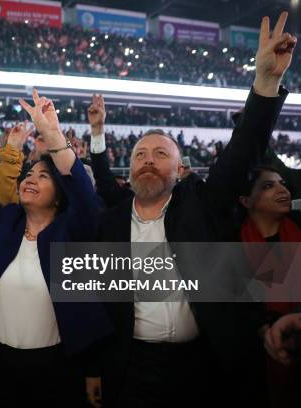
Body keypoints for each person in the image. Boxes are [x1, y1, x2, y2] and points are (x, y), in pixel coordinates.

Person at [86, 12, 295, 408]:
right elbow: (102, 308)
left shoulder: (202, 204)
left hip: (203, 365)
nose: (148, 160)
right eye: (140, 154)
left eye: (160, 154)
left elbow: (241, 153)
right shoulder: (110, 222)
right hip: (130, 367)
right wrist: (96, 366)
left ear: (181, 169)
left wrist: (266, 83)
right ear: (128, 169)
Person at [0, 81, 111, 407]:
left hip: (57, 368)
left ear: (59, 197)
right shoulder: (7, 223)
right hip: (0, 364)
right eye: (29, 174)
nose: (29, 179)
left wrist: (53, 135)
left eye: (43, 177)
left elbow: (83, 191)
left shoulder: (73, 230)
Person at [238, 165, 301, 408]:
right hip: (252, 368)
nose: (281, 189)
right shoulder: (232, 243)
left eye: (282, 183)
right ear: (246, 200)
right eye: (268, 185)